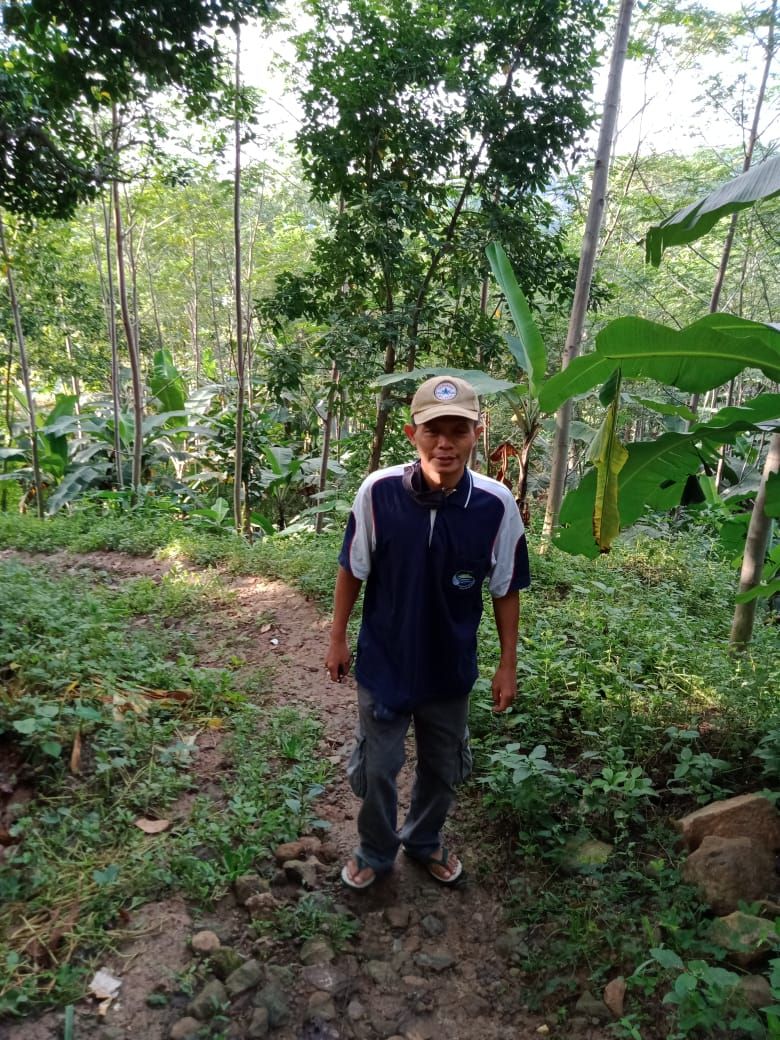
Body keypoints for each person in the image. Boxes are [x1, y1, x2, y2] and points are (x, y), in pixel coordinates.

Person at [325, 375, 530, 889]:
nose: (444, 443)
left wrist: (508, 663)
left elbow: (505, 588)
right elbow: (353, 568)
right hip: (384, 661)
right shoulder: (377, 493)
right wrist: (336, 637)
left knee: (442, 767)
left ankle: (422, 840)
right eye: (432, 430)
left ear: (476, 434)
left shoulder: (495, 504)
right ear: (410, 433)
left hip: (449, 667)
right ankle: (374, 852)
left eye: (457, 430)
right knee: (378, 767)